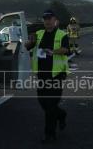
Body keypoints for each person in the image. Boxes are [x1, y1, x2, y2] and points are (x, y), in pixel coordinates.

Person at [25, 10, 69, 144]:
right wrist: (30, 42)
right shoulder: (38, 34)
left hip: (56, 75)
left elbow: (66, 50)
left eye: (49, 18)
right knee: (43, 102)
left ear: (54, 19)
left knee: (50, 105)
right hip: (42, 75)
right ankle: (61, 114)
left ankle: (49, 133)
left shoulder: (62, 34)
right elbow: (27, 47)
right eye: (45, 19)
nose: (47, 21)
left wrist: (53, 51)